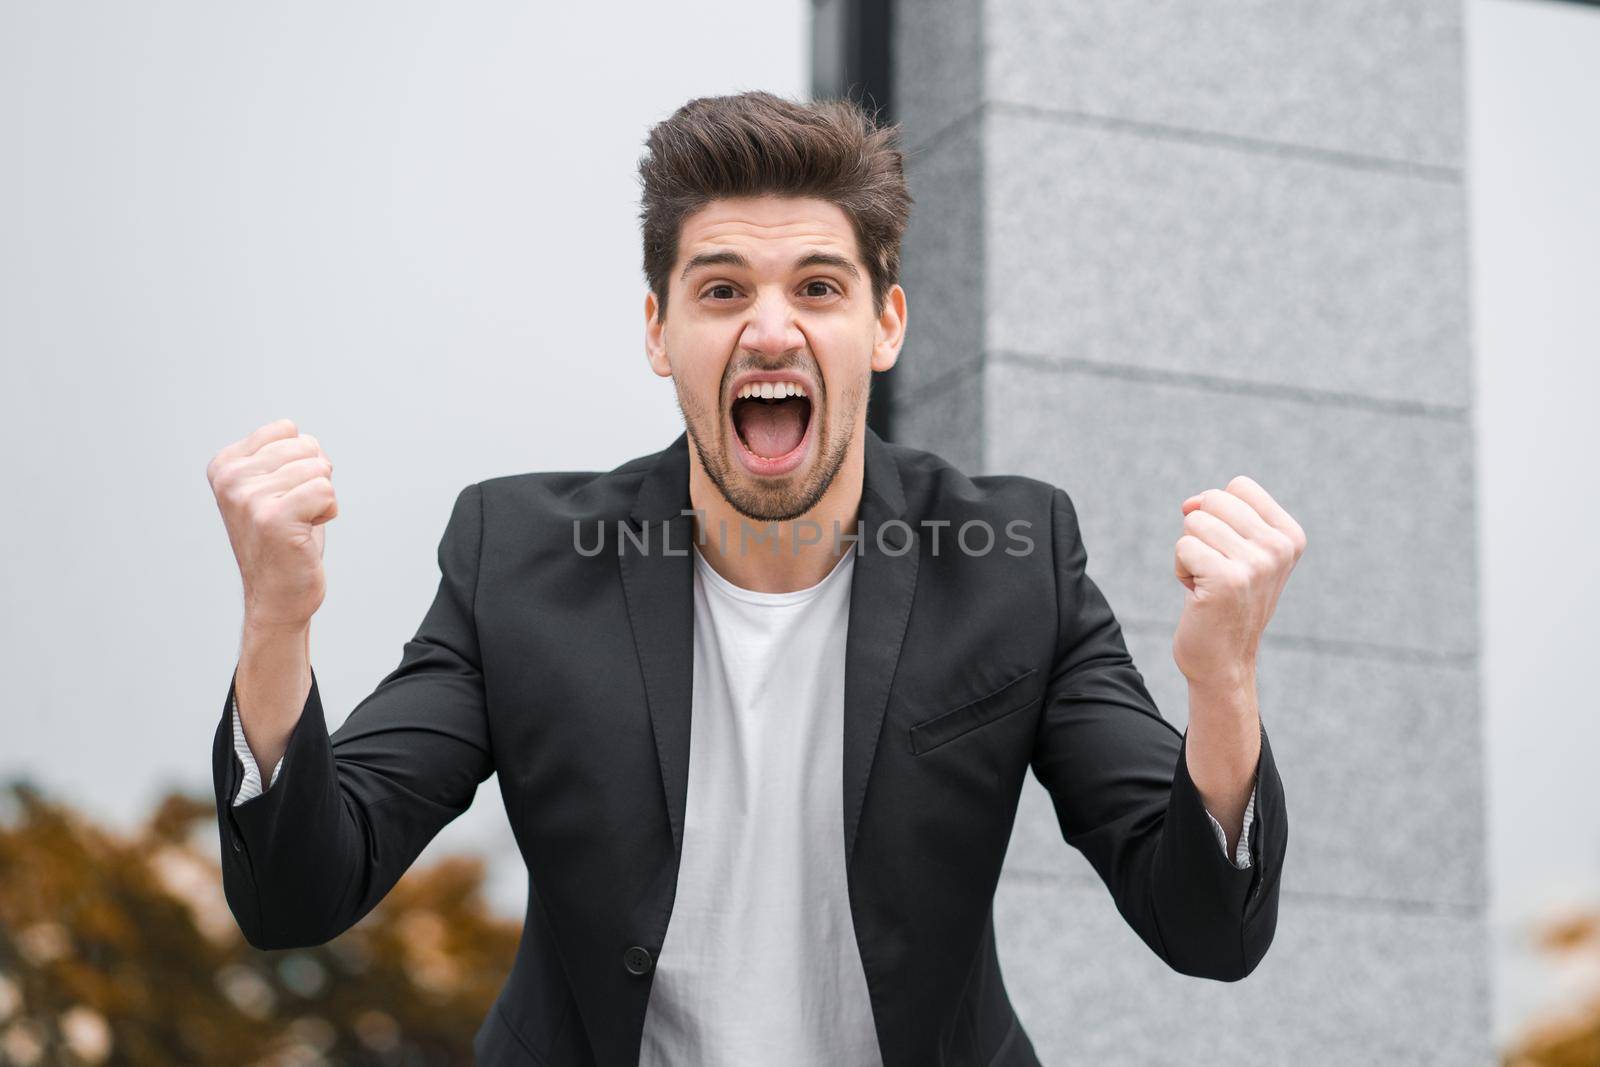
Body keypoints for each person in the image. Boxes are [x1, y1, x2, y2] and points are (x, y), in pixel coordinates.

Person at [205, 90, 1303, 1067]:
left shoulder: (1014, 557)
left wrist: (1223, 688)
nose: (770, 329)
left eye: (817, 287)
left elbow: (1207, 929)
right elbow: (298, 893)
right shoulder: (518, 557)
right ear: (658, 330)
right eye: (722, 289)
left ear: (884, 325)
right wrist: (277, 624)